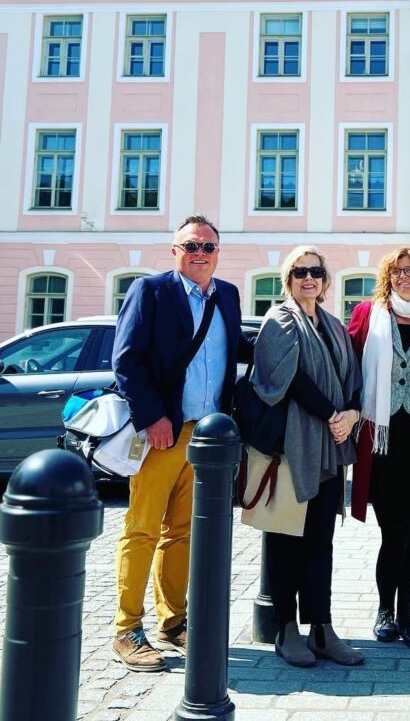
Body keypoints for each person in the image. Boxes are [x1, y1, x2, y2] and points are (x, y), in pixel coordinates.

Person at [111, 214, 249, 672]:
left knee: (184, 534)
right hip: (163, 433)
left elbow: (237, 352)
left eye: (208, 246)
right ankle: (127, 629)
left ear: (217, 252)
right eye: (191, 245)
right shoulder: (151, 292)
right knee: (142, 528)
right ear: (175, 251)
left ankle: (173, 622)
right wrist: (152, 418)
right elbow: (127, 361)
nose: (200, 253)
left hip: (207, 436)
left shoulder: (227, 295)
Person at [250, 245, 363, 668]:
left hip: (331, 446)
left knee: (320, 542)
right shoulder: (280, 319)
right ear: (288, 279)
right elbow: (288, 377)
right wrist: (333, 414)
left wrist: (350, 413)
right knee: (285, 540)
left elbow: (353, 375)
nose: (309, 278)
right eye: (300, 272)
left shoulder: (333, 324)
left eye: (316, 271)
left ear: (326, 279)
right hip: (295, 445)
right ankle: (285, 629)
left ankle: (322, 628)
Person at [348, 247, 410, 648]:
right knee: (394, 532)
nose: (404, 277)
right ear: (387, 277)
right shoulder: (366, 317)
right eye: (396, 271)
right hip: (382, 441)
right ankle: (384, 610)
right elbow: (348, 367)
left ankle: (406, 613)